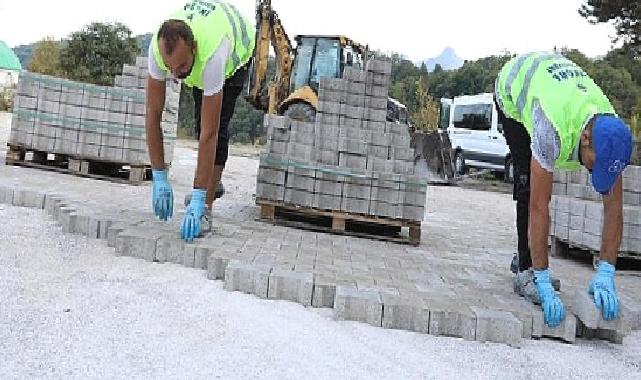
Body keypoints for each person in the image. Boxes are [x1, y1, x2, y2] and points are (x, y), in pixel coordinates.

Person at [494, 52, 633, 327]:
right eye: (596, 164)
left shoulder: (610, 134)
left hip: (555, 85)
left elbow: (614, 209)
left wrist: (606, 270)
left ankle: (532, 258)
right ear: (584, 138)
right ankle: (527, 270)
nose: (596, 171)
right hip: (512, 89)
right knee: (527, 184)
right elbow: (539, 206)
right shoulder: (551, 127)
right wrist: (543, 280)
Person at [145, 0, 255, 242]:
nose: (175, 75)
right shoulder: (157, 50)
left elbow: (210, 132)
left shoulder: (214, 54)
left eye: (181, 66)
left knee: (216, 125)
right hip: (204, 50)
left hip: (238, 54)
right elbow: (153, 115)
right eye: (169, 68)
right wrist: (159, 176)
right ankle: (210, 184)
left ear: (193, 47)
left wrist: (196, 199)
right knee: (198, 123)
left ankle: (206, 206)